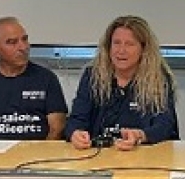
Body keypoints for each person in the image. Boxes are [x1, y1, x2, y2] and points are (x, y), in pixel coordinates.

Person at [67, 15, 178, 150]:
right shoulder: (93, 76)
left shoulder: (158, 79)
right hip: (99, 154)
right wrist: (76, 133)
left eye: (129, 44)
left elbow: (164, 125)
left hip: (142, 153)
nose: (121, 50)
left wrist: (141, 136)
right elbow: (76, 119)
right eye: (116, 43)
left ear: (143, 49)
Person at [0, 17, 67, 140]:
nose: (23, 47)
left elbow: (57, 129)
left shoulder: (47, 79)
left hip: (36, 150)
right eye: (12, 42)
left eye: (24, 39)